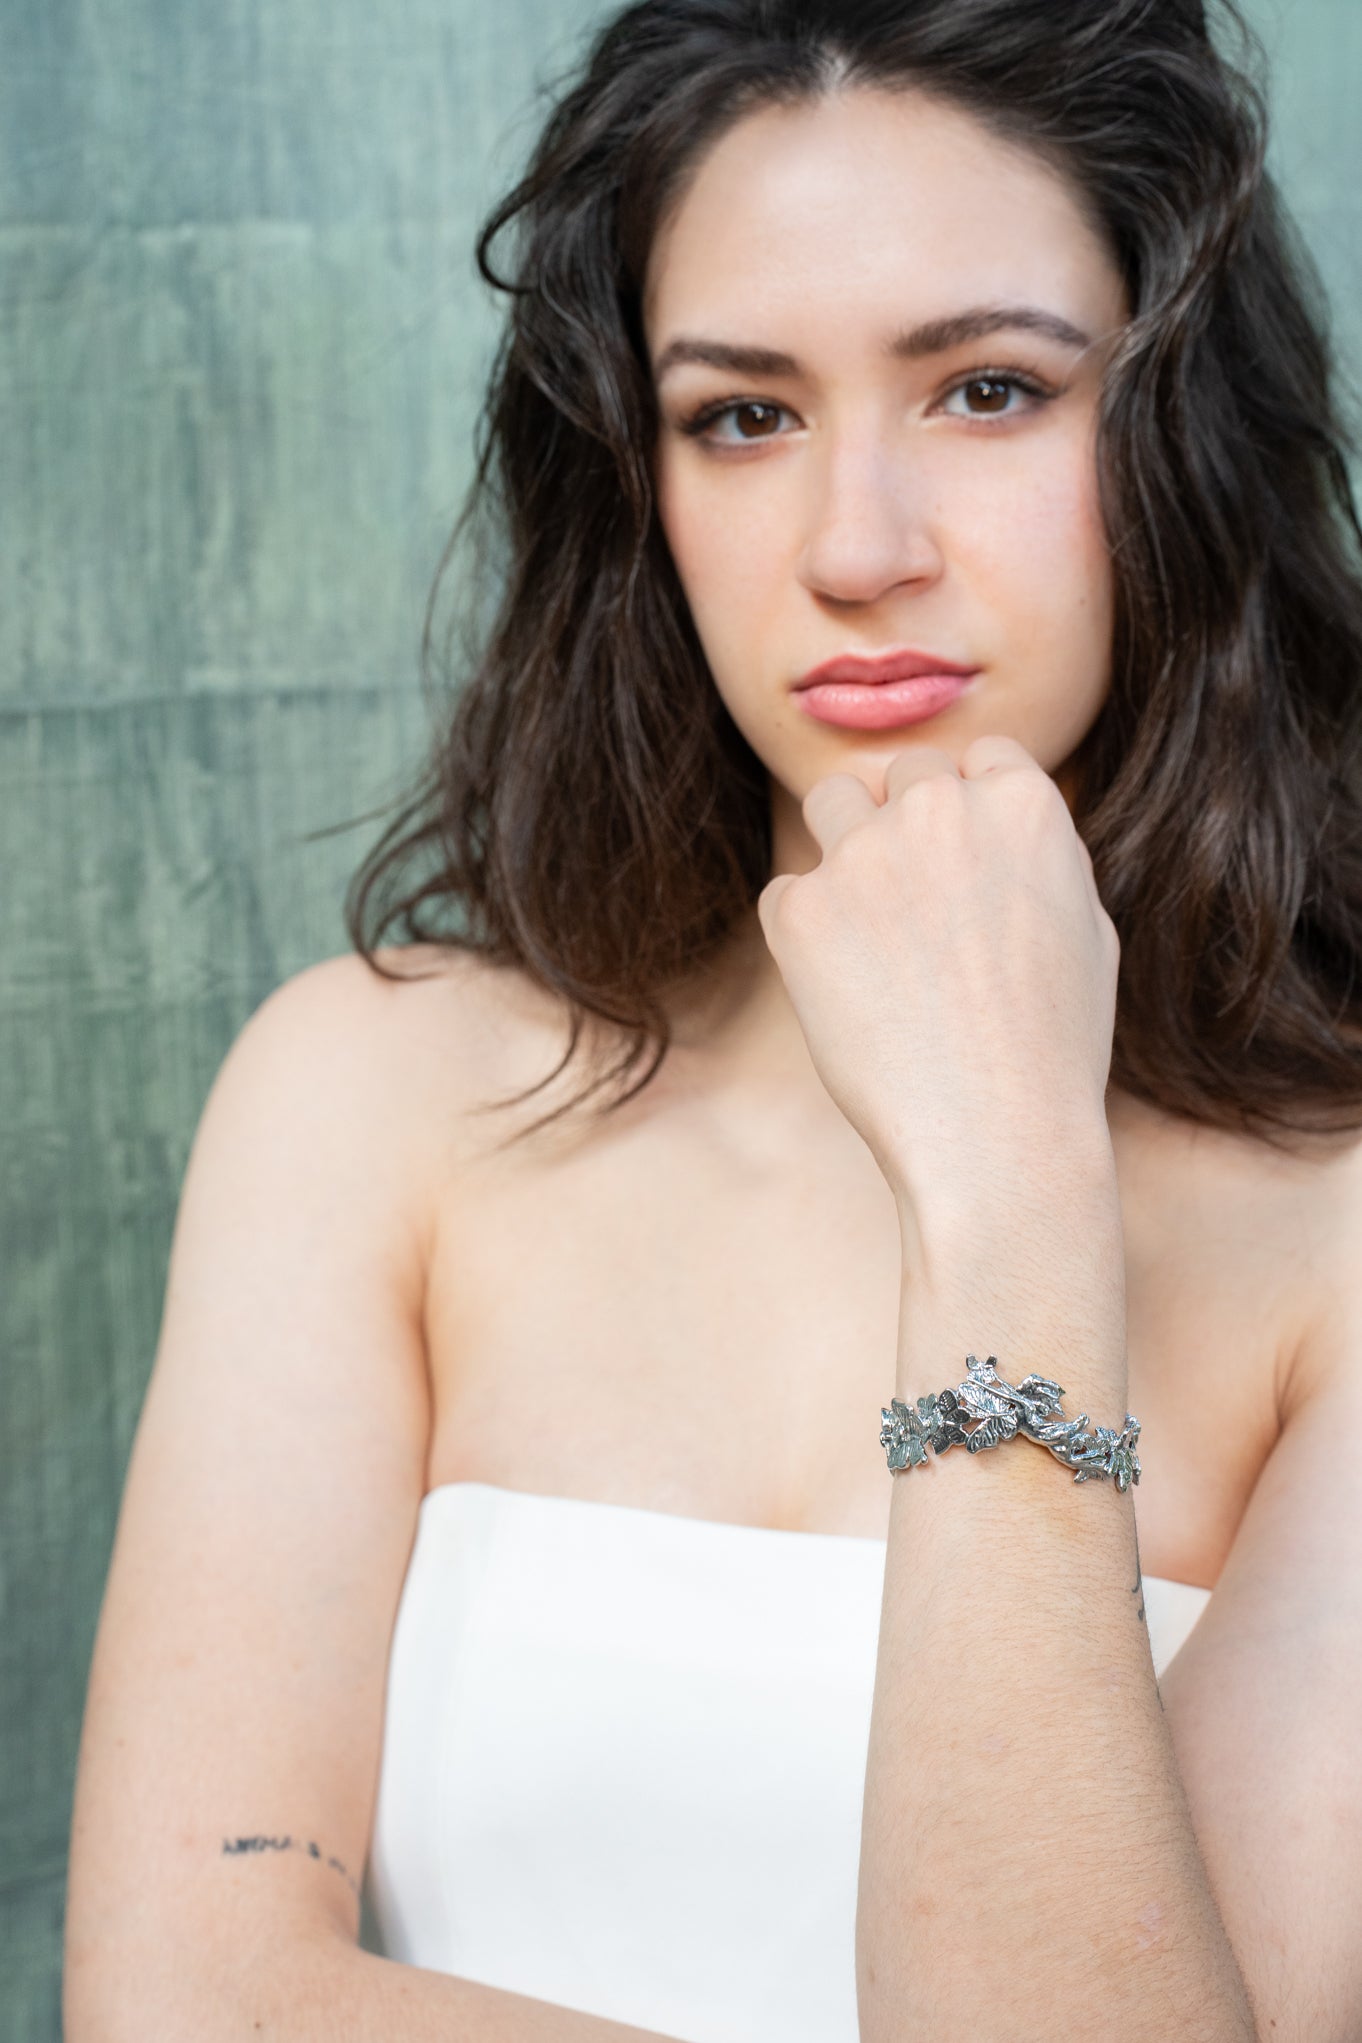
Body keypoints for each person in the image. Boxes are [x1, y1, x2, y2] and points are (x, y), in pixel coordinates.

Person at [64, 1, 1362, 2037]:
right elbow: (184, 1993)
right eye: (742, 416)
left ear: (1181, 426)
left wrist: (1008, 1190)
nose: (858, 547)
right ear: (638, 482)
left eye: (991, 389)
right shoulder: (367, 1098)